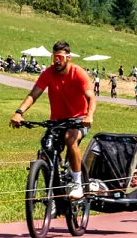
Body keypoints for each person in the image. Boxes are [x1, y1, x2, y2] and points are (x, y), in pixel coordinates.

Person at [11, 40, 96, 199]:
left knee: (70, 139)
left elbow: (91, 98)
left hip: (78, 119)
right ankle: (55, 192)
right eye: (54, 58)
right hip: (57, 120)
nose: (57, 62)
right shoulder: (48, 73)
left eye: (60, 58)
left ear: (68, 58)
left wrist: (89, 116)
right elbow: (34, 94)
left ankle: (77, 183)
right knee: (46, 146)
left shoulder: (78, 73)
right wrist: (19, 112)